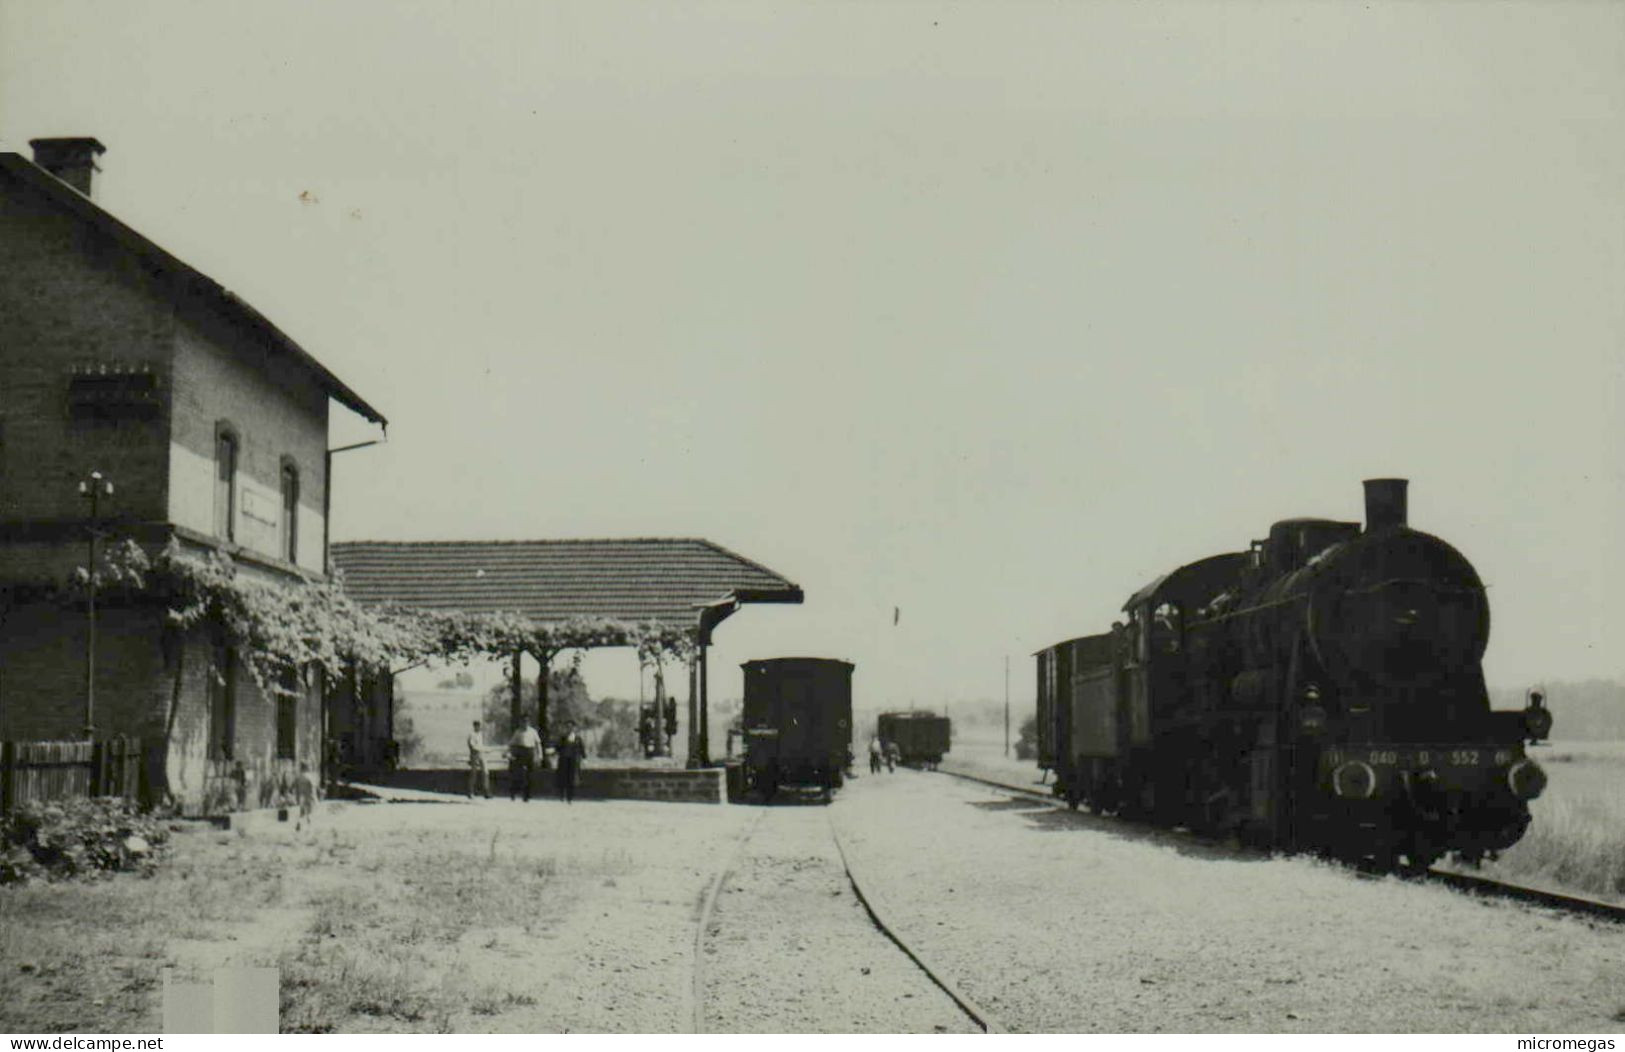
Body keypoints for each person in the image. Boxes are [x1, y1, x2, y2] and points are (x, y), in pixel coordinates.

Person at [508, 718, 542, 801]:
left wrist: (540, 755)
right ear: (521, 722)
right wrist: (510, 753)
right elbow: (512, 743)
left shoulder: (533, 732)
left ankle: (527, 795)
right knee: (520, 774)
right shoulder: (518, 732)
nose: (525, 723)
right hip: (521, 752)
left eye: (526, 722)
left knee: (529, 775)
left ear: (529, 722)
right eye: (523, 722)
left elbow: (538, 744)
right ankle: (514, 792)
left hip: (530, 752)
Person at [555, 721, 586, 804]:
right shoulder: (563, 738)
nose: (570, 728)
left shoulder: (578, 738)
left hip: (573, 761)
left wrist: (584, 758)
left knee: (571, 779)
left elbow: (582, 749)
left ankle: (570, 798)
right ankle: (561, 796)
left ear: (574, 728)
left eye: (571, 727)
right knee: (562, 778)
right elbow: (557, 748)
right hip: (564, 760)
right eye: (568, 727)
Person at [466, 720, 491, 799]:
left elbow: (484, 745)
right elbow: (472, 746)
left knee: (485, 772)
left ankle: (486, 791)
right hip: (475, 755)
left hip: (482, 754)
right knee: (474, 773)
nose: (478, 727)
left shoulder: (481, 735)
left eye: (479, 726)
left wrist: (486, 749)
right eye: (477, 726)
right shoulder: (471, 735)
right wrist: (479, 749)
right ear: (474, 726)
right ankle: (471, 792)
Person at [294, 762, 318, 830]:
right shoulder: (309, 777)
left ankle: (299, 822)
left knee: (302, 812)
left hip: (301, 796)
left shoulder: (299, 777)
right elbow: (312, 787)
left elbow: (296, 788)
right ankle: (310, 825)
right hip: (309, 796)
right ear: (307, 767)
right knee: (310, 811)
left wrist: (297, 797)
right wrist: (314, 797)